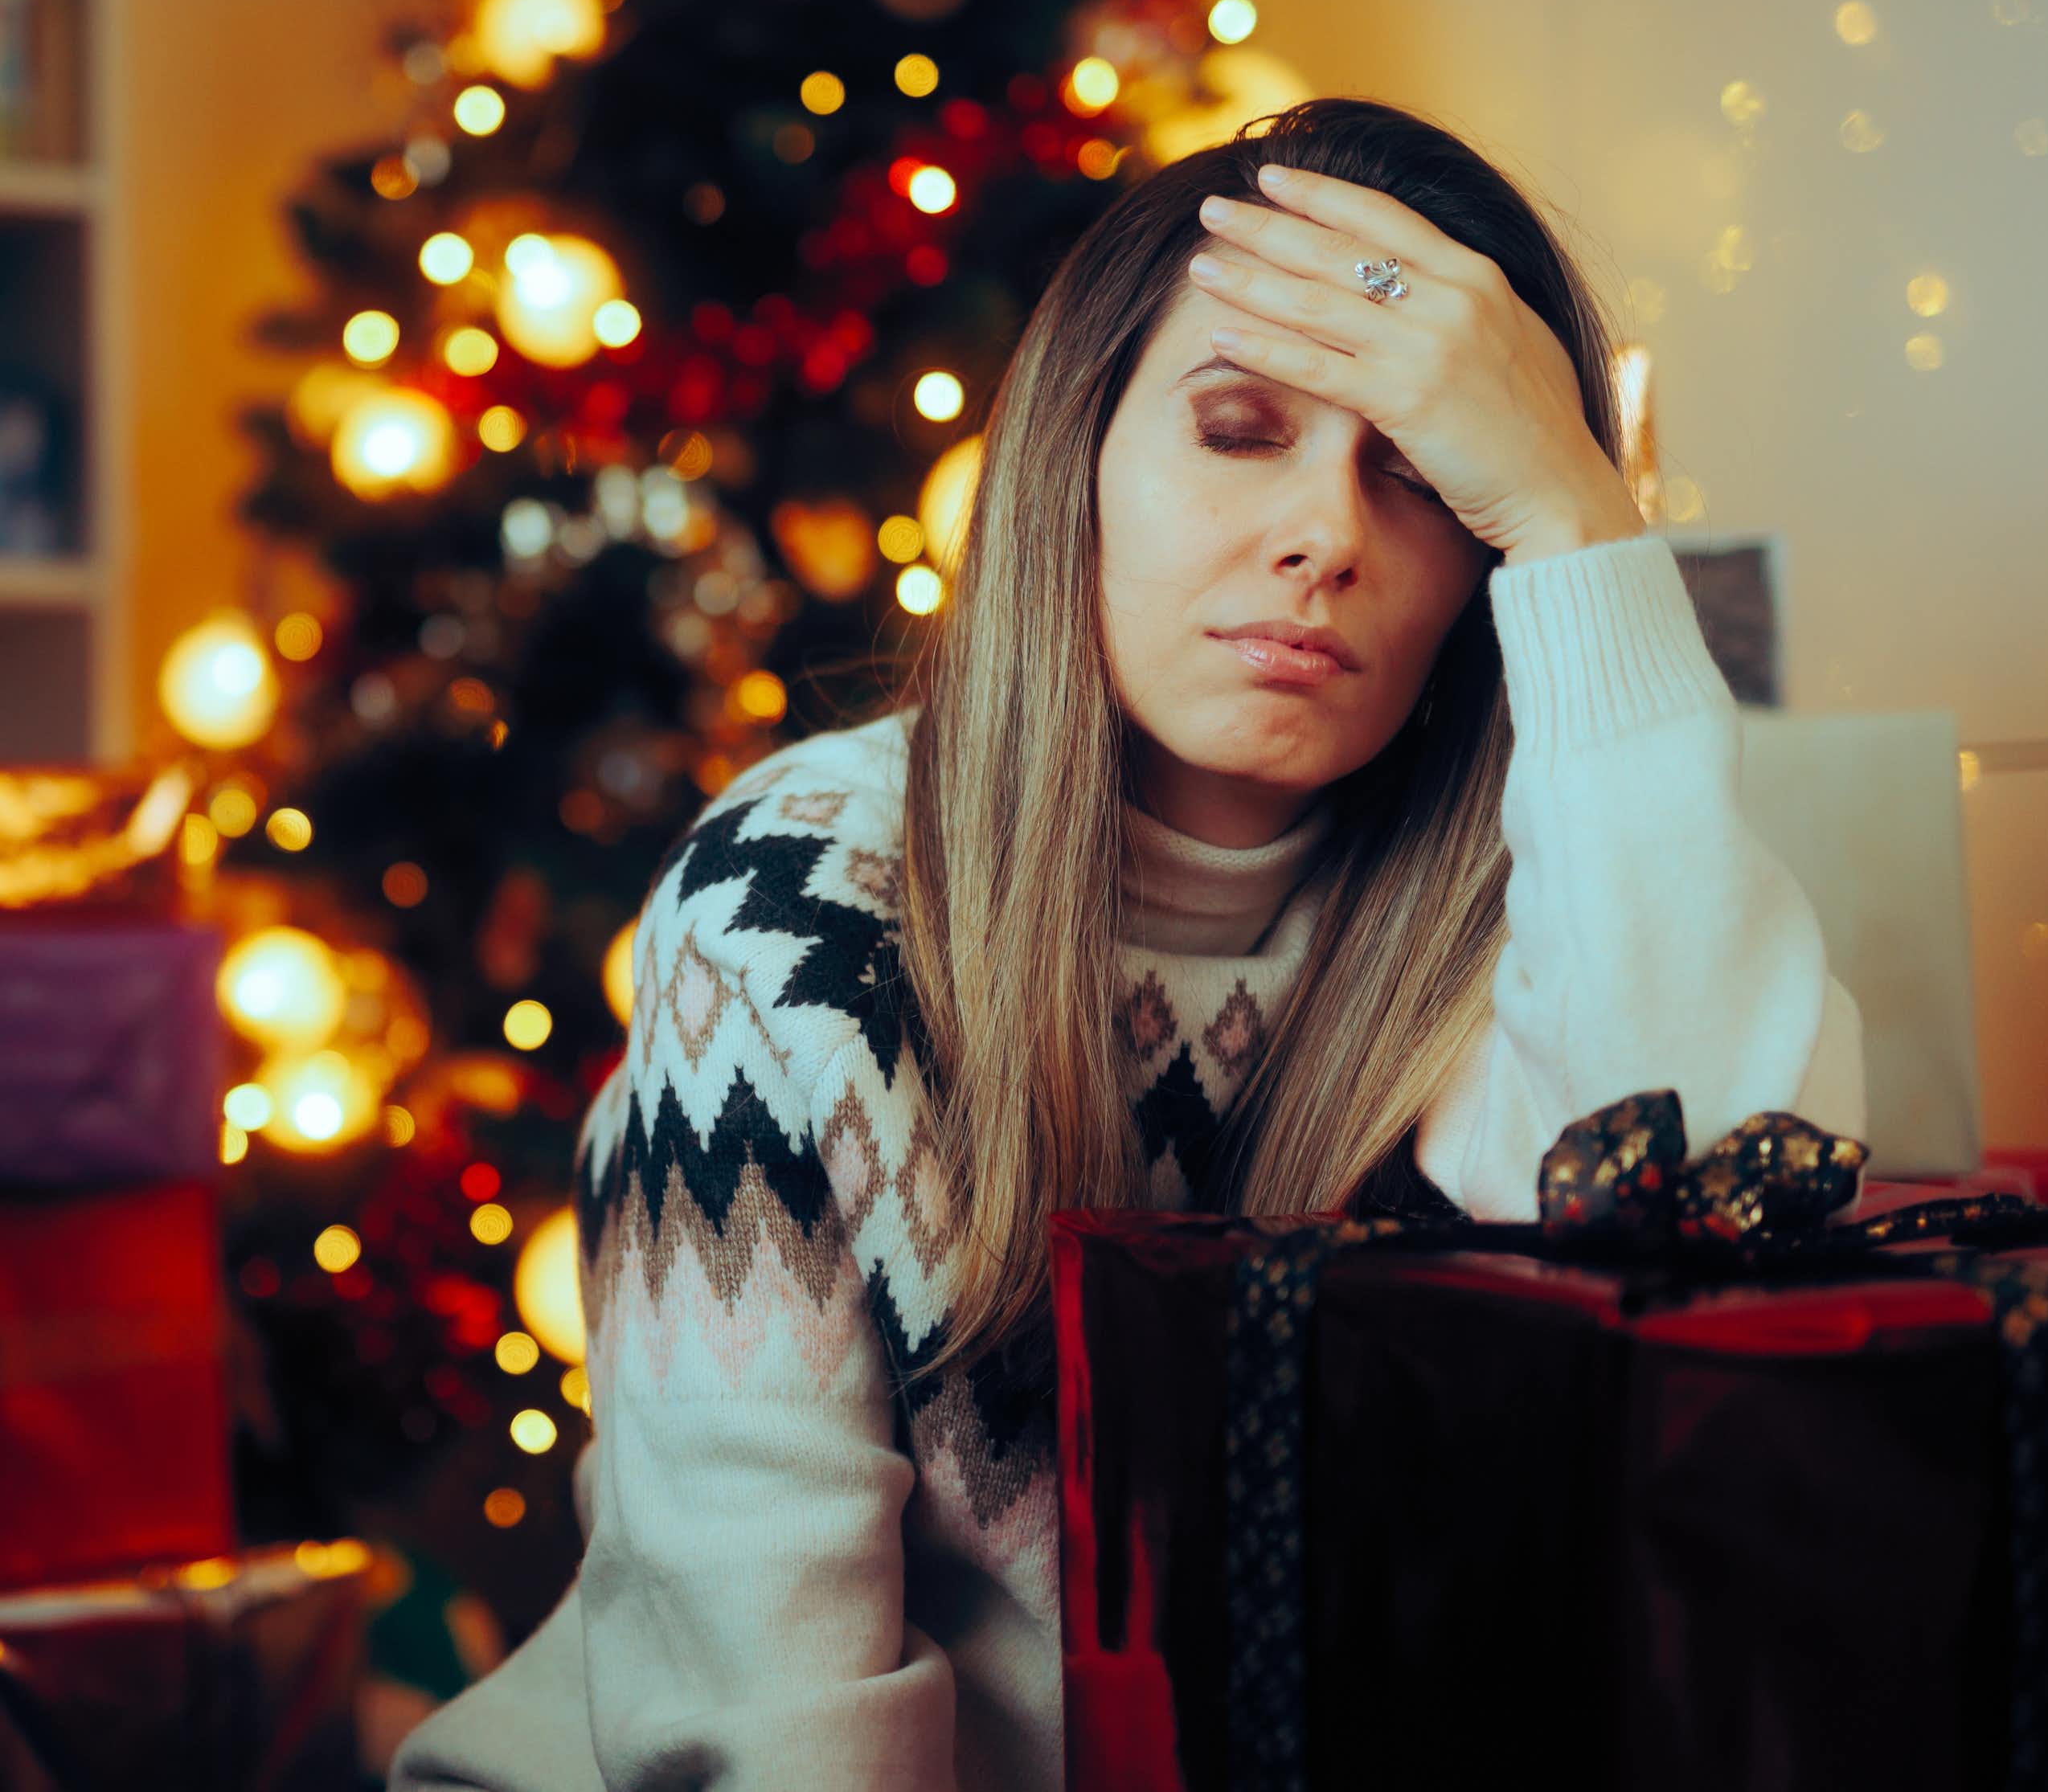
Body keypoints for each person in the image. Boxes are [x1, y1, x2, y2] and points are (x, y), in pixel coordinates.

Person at [388, 95, 1867, 1792]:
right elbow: (763, 1722)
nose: (1326, 533)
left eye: (1426, 473)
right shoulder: (802, 904)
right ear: (1072, 461)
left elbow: (1715, 1199)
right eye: (1240, 427)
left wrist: (1577, 517)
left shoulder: (1530, 928)